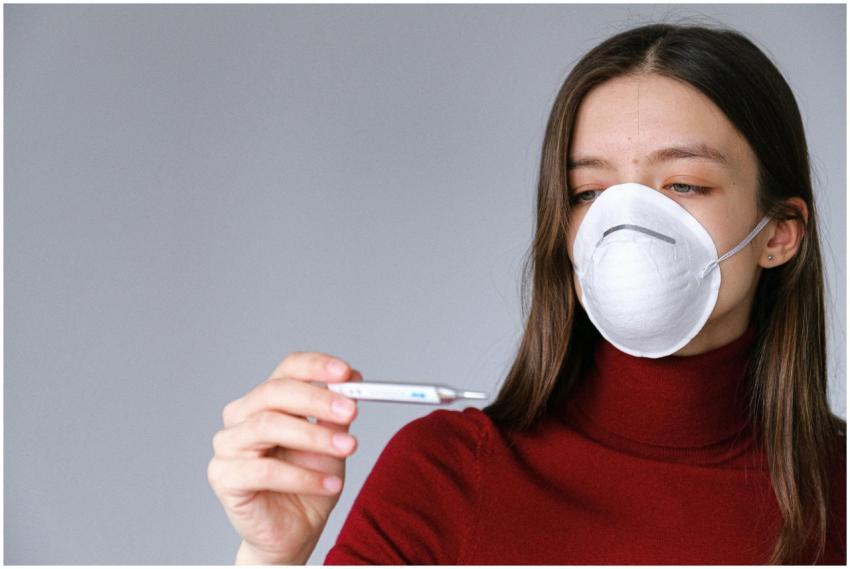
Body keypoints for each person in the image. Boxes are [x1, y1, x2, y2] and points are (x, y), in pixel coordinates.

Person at [207, 21, 846, 564]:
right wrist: (270, 558)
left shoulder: (837, 496)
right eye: (589, 194)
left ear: (780, 234)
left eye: (682, 185)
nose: (626, 226)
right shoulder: (448, 474)